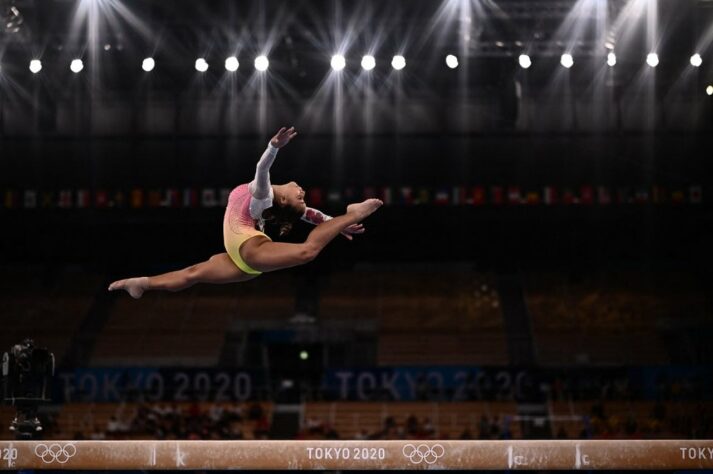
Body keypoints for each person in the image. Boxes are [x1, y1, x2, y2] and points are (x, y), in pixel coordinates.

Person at [109, 126, 382, 298]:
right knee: (192, 274)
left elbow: (262, 170)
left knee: (306, 252)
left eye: (299, 198)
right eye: (302, 197)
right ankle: (142, 282)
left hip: (249, 251)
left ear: (284, 201)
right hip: (242, 260)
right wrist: (334, 222)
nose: (302, 193)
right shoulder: (267, 202)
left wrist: (273, 147)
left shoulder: (262, 193)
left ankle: (354, 213)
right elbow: (310, 215)